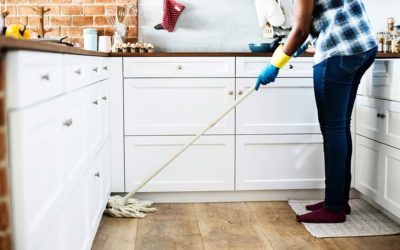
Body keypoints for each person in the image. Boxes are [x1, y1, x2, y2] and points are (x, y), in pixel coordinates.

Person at [256, 0, 378, 223]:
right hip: (363, 47)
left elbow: (300, 29)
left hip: (339, 51)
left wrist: (276, 63)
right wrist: (310, 38)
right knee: (340, 127)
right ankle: (338, 200)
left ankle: (334, 209)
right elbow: (325, 13)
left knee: (333, 130)